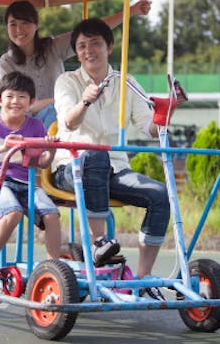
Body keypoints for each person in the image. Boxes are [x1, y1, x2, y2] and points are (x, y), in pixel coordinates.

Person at [51, 18, 170, 299]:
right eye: (81, 46)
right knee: (96, 156)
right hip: (70, 166)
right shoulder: (67, 81)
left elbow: (150, 128)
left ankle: (142, 279)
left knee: (159, 195)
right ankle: (98, 243)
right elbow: (68, 122)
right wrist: (85, 100)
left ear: (110, 47)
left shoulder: (126, 81)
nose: (88, 50)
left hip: (115, 169)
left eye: (95, 43)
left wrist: (167, 110)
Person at [0, 0, 152, 128]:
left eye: (25, 23)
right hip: (30, 122)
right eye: (13, 24)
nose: (19, 29)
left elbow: (92, 32)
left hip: (64, 116)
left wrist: (131, 11)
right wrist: (59, 101)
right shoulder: (5, 63)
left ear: (36, 25)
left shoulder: (52, 47)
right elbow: (18, 104)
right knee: (60, 111)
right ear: (6, 27)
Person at [0, 71, 61, 292]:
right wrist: (5, 147)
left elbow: (41, 162)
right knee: (13, 212)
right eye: (10, 96)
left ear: (31, 102)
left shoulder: (35, 126)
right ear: (0, 99)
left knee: (51, 215)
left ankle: (54, 269)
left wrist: (51, 150)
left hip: (26, 181)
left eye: (22, 97)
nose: (15, 102)